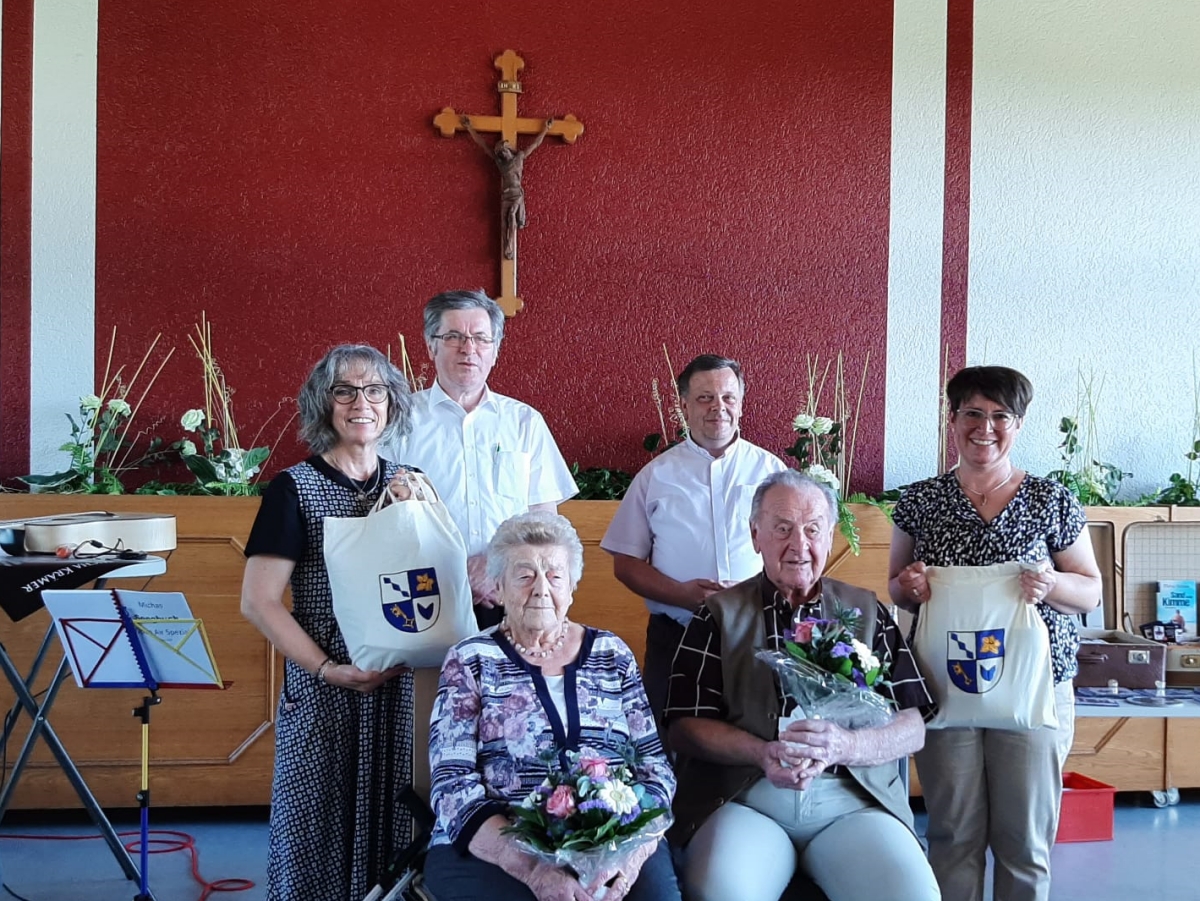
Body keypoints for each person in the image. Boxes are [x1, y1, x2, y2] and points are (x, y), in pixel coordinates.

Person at [667, 470, 940, 901]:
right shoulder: (717, 615)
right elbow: (683, 726)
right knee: (721, 892)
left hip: (853, 801)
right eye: (782, 529)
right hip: (746, 799)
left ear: (830, 536)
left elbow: (913, 725)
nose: (799, 544)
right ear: (756, 536)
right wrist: (762, 752)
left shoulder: (867, 611)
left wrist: (845, 746)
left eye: (813, 529)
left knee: (913, 894)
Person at [888, 365, 1102, 901]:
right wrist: (910, 585)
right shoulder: (918, 501)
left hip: (1035, 689)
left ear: (1019, 424)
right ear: (951, 419)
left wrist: (1050, 584)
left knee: (1025, 840)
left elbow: (1090, 592)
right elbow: (896, 588)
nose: (986, 427)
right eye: (973, 414)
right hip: (944, 684)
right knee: (952, 832)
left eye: (1000, 416)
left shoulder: (1051, 500)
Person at [240, 344, 422, 901]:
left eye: (375, 392)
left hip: (398, 677)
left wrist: (415, 510)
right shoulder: (292, 488)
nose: (360, 403)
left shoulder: (411, 482)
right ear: (325, 404)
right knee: (314, 815)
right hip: (324, 674)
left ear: (391, 405)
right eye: (345, 391)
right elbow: (260, 601)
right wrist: (325, 669)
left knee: (399, 814)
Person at [422, 511, 682, 901]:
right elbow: (452, 785)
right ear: (498, 586)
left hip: (614, 837)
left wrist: (629, 856)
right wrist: (534, 872)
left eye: (555, 575)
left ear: (572, 587)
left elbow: (655, 767)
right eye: (524, 575)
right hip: (498, 841)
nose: (542, 589)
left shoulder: (612, 654)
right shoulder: (471, 659)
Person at [601, 354, 785, 726]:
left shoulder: (772, 473)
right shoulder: (656, 476)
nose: (718, 408)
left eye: (728, 397)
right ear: (683, 406)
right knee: (669, 743)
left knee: (756, 738)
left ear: (741, 403)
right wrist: (683, 595)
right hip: (677, 638)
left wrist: (757, 595)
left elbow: (797, 554)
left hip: (757, 635)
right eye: (705, 398)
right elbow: (626, 563)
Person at [387, 289, 577, 629]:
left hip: (509, 595)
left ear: (495, 350)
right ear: (431, 345)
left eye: (480, 338)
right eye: (454, 337)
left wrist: (495, 567)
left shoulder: (524, 422)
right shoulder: (398, 422)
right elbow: (386, 520)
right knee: (434, 683)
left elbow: (545, 523)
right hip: (424, 596)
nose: (468, 348)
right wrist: (458, 573)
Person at [462, 115, 553, 259]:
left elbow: (535, 145)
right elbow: (483, 145)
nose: (502, 153)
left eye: (503, 150)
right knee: (504, 223)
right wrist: (469, 128)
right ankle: (507, 246)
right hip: (506, 195)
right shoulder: (501, 164)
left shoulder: (519, 158)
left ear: (509, 149)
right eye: (500, 152)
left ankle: (510, 247)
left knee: (511, 216)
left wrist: (546, 129)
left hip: (516, 194)